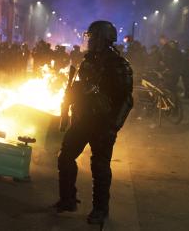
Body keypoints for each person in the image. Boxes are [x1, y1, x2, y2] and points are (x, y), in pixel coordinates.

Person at [54, 20, 133, 225]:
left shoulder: (118, 64)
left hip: (103, 124)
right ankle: (68, 199)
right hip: (83, 119)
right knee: (65, 158)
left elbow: (126, 100)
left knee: (99, 167)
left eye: (92, 37)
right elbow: (80, 87)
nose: (89, 40)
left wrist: (113, 126)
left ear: (102, 39)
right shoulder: (88, 60)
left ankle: (100, 209)